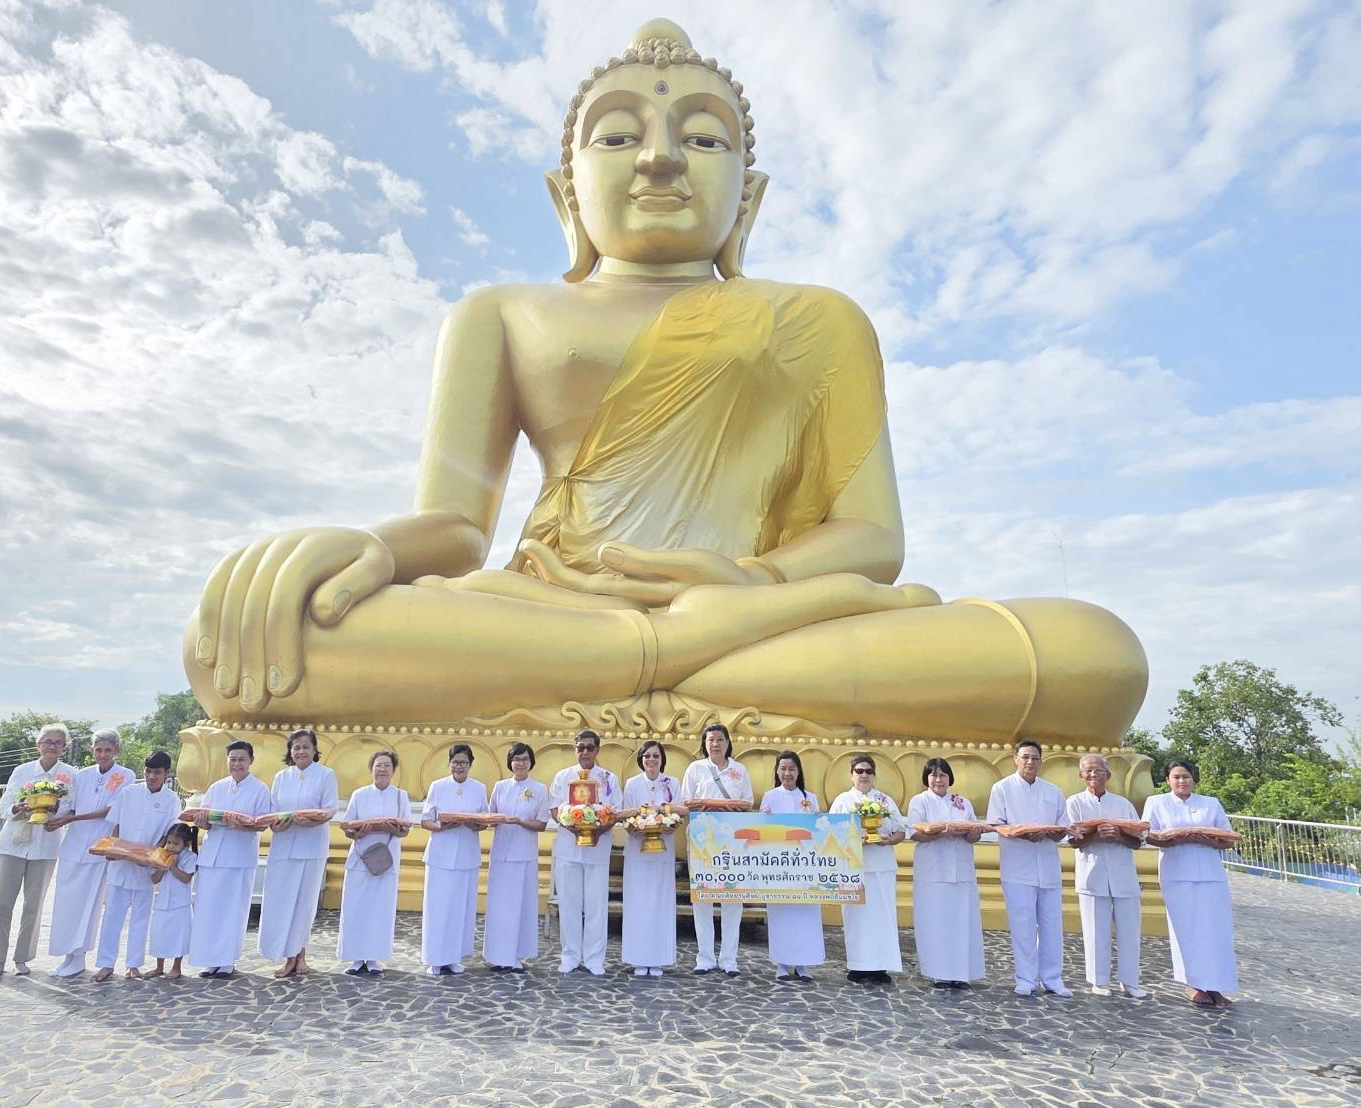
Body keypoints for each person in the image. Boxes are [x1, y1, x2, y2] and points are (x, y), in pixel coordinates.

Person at [184, 19, 1148, 765]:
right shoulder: (503, 313)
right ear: (569, 194)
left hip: (740, 614)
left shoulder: (817, 317)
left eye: (702, 138)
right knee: (236, 646)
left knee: (1095, 654)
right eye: (617, 136)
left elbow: (873, 541)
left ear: (750, 197)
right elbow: (455, 527)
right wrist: (370, 548)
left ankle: (655, 668)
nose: (658, 157)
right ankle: (670, 666)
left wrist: (751, 586)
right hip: (552, 608)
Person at [0, 724, 76, 979]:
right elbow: (4, 804)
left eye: (57, 742)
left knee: (34, 905)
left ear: (63, 747)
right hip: (13, 844)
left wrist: (54, 811)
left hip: (45, 846)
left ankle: (22, 957)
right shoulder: (22, 771)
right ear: (38, 744)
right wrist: (20, 807)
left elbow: (70, 808)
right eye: (47, 741)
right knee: (1, 903)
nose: (52, 746)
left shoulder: (70, 775)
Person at [1142, 760, 1239, 1007]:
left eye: (1186, 776)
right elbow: (1146, 834)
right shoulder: (1157, 803)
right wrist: (1172, 839)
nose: (1182, 781)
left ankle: (1216, 986)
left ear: (1193, 779)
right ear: (1167, 780)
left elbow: (1228, 838)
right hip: (1177, 872)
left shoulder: (1210, 803)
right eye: (1176, 777)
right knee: (1186, 930)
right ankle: (1193, 984)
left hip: (1210, 872)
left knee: (1215, 931)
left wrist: (1206, 839)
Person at [987, 739, 1072, 997]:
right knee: (1022, 924)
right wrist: (1022, 833)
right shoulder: (1001, 788)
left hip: (1047, 865)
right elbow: (995, 825)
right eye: (1025, 757)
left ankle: (1053, 978)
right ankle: (1025, 977)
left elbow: (1063, 828)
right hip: (1017, 866)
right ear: (1015, 758)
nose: (1030, 762)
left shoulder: (1053, 791)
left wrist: (1048, 834)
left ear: (1041, 761)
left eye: (1035, 758)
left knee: (1051, 923)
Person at [45, 728, 133, 978]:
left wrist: (70, 819)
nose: (103, 754)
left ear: (117, 750)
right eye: (98, 749)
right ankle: (67, 954)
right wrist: (52, 812)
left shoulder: (125, 775)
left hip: (99, 847)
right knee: (66, 902)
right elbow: (68, 804)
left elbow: (111, 810)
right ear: (91, 751)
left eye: (108, 750)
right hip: (73, 846)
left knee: (89, 904)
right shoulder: (81, 775)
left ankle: (79, 954)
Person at [92, 750, 182, 982]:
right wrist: (112, 850)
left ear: (167, 774)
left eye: (157, 773)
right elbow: (116, 825)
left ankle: (133, 964)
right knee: (112, 916)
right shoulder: (129, 792)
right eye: (148, 771)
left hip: (146, 868)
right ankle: (105, 963)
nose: (152, 776)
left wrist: (154, 859)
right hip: (120, 865)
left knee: (140, 918)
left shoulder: (171, 800)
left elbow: (168, 834)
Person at [187, 740, 272, 978]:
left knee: (232, 909)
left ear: (251, 761)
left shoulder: (259, 789)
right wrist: (202, 821)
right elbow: (203, 818)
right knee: (208, 908)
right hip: (213, 855)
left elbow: (262, 823)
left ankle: (226, 960)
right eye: (233, 759)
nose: (237, 764)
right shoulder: (216, 788)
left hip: (239, 856)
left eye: (242, 759)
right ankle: (208, 958)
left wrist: (243, 825)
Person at [259, 728, 339, 978]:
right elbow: (272, 812)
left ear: (315, 750)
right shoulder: (281, 777)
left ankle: (299, 955)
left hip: (311, 846)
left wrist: (312, 820)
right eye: (296, 747)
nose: (301, 751)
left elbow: (329, 809)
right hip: (284, 845)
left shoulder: (326, 775)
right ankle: (286, 955)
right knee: (282, 901)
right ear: (290, 752)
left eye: (306, 746)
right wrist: (277, 823)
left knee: (304, 902)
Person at [1066, 753, 1147, 999]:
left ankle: (1130, 981)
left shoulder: (1123, 804)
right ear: (1081, 776)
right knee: (1095, 931)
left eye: (1098, 771)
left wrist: (1118, 835)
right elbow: (1073, 841)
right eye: (1088, 771)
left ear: (1108, 775)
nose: (1093, 775)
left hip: (1123, 874)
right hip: (1092, 873)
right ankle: (1099, 980)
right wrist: (1097, 835)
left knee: (1130, 931)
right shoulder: (1074, 803)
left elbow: (1138, 840)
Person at [906, 757, 986, 988]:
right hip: (933, 871)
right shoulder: (919, 801)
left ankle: (961, 973)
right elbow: (915, 833)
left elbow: (974, 834)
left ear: (950, 778)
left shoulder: (962, 802)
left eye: (942, 775)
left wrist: (971, 831)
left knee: (962, 922)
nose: (938, 779)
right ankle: (938, 972)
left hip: (961, 870)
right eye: (933, 775)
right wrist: (942, 832)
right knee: (936, 921)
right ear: (926, 779)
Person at [681, 723, 754, 975]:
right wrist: (707, 805)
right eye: (710, 740)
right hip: (702, 838)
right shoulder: (695, 769)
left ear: (727, 742)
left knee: (732, 898)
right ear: (704, 743)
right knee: (703, 898)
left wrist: (722, 807)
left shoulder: (739, 769)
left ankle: (728, 959)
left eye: (720, 740)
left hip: (733, 839)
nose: (715, 744)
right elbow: (686, 803)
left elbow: (747, 802)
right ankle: (705, 957)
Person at [548, 730, 622, 976]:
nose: (585, 752)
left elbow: (615, 812)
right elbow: (555, 809)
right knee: (569, 905)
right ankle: (569, 956)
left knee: (595, 906)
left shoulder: (609, 779)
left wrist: (599, 830)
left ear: (598, 750)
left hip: (597, 849)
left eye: (590, 748)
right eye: (580, 747)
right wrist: (571, 825)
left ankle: (594, 958)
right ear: (575, 749)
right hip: (568, 848)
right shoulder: (563, 776)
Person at [829, 754, 907, 984]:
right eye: (859, 771)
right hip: (854, 866)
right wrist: (854, 838)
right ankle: (858, 965)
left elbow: (900, 831)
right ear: (851, 775)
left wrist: (889, 840)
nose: (864, 775)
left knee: (882, 916)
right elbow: (832, 833)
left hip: (881, 864)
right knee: (856, 917)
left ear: (874, 776)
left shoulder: (885, 800)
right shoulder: (842, 801)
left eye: (868, 772)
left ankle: (881, 966)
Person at [337, 749, 411, 975]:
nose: (382, 769)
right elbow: (347, 827)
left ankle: (374, 958)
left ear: (393, 770)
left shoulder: (401, 796)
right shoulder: (359, 794)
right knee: (356, 907)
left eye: (387, 765)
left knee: (380, 909)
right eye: (378, 765)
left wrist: (393, 828)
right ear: (371, 769)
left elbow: (405, 829)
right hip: (360, 857)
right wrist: (358, 833)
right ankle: (355, 958)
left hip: (386, 860)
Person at [420, 743, 488, 975]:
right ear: (449, 764)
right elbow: (426, 819)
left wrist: (472, 823)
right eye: (456, 762)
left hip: (467, 854)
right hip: (440, 853)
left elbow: (484, 821)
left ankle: (453, 957)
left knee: (461, 908)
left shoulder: (479, 788)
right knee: (438, 907)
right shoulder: (437, 786)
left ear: (470, 765)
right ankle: (435, 958)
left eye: (464, 763)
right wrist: (442, 826)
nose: (459, 767)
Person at [485, 742, 551, 972]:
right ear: (510, 763)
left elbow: (541, 824)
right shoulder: (500, 787)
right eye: (516, 759)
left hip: (524, 855)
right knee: (500, 906)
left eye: (524, 759)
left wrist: (520, 821)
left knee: (520, 905)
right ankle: (497, 954)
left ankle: (515, 954)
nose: (520, 763)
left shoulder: (540, 789)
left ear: (531, 762)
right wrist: (497, 819)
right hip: (501, 854)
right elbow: (489, 816)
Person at [759, 751, 825, 981]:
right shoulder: (769, 797)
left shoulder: (810, 798)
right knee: (781, 914)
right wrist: (763, 817)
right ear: (777, 771)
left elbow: (818, 831)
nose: (787, 773)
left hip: (805, 866)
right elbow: (761, 831)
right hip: (779, 866)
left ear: (798, 772)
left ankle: (803, 963)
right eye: (783, 768)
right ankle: (782, 963)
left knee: (805, 915)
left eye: (792, 769)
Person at [620, 739, 681, 977]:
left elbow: (678, 813)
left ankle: (657, 958)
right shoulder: (632, 784)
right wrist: (632, 828)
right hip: (637, 849)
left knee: (660, 903)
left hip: (663, 849)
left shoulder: (672, 783)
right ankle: (638, 957)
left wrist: (670, 827)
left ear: (662, 759)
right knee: (638, 903)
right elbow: (625, 816)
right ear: (641, 760)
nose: (651, 760)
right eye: (647, 756)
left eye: (655, 756)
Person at [146, 822, 197, 981]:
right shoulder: (161, 855)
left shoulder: (190, 857)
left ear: (186, 844)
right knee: (159, 934)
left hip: (180, 903)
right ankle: (159, 966)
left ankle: (176, 967)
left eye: (176, 844)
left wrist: (173, 866)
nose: (171, 846)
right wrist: (162, 866)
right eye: (169, 842)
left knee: (178, 936)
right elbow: (154, 880)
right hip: (162, 902)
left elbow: (186, 878)